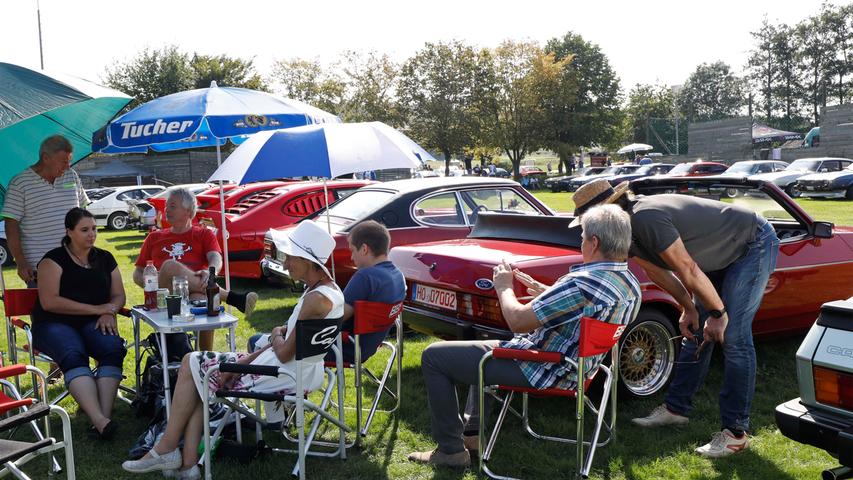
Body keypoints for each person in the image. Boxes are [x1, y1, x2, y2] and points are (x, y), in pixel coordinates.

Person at [407, 205, 641, 467]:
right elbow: (586, 308)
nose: (581, 242)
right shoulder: (629, 283)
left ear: (594, 242)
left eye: (582, 237)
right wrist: (547, 292)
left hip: (544, 368)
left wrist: (504, 287)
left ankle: (451, 452)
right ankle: (472, 436)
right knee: (478, 348)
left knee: (433, 357)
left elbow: (517, 321)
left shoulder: (582, 283)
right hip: (580, 368)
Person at [569, 178, 779, 458]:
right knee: (693, 333)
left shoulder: (646, 219)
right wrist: (688, 309)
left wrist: (717, 313)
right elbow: (658, 272)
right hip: (713, 257)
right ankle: (676, 410)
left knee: (733, 337)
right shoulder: (624, 233)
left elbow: (687, 268)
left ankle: (735, 434)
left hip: (752, 244)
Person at [122, 220, 343, 478]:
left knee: (192, 363)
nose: (284, 264)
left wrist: (274, 335)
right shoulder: (328, 292)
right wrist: (250, 357)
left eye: (289, 257)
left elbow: (282, 352)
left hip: (282, 375)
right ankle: (186, 463)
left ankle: (169, 449)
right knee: (197, 371)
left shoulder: (316, 300)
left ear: (307, 260)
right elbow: (282, 344)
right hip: (291, 369)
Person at [248, 220, 405, 365]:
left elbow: (332, 316)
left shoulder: (366, 276)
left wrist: (281, 331)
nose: (351, 257)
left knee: (255, 341)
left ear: (364, 249)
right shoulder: (398, 276)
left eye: (352, 251)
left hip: (340, 347)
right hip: (367, 346)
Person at [32, 208, 126, 440]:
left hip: (93, 322)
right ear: (69, 232)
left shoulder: (105, 258)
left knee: (113, 348)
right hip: (54, 322)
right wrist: (98, 309)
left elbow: (118, 295)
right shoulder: (52, 260)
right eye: (84, 230)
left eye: (94, 229)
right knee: (73, 353)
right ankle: (99, 419)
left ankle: (102, 421)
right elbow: (50, 302)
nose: (91, 234)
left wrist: (110, 311)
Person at [133, 187, 256, 351]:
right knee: (170, 266)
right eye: (167, 205)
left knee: (206, 301)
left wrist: (211, 271)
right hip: (164, 295)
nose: (166, 210)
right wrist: (151, 283)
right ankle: (230, 297)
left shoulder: (203, 234)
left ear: (189, 211)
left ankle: (203, 356)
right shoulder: (154, 237)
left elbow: (215, 257)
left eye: (172, 206)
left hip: (193, 292)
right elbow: (137, 273)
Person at [2, 135, 88, 286]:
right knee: (47, 309)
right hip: (41, 268)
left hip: (76, 264)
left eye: (69, 161)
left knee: (83, 308)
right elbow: (11, 225)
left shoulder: (71, 176)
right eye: (63, 162)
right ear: (45, 158)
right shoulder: (20, 183)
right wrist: (21, 262)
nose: (67, 166)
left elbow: (83, 215)